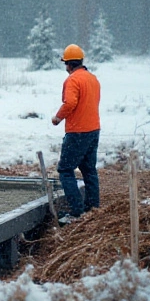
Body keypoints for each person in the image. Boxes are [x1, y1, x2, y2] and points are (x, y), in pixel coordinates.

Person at [52, 44, 101, 223]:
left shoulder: (73, 80)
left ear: (70, 64)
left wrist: (58, 118)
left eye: (65, 64)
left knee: (65, 170)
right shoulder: (92, 78)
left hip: (77, 132)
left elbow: (70, 102)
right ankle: (93, 208)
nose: (65, 68)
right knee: (89, 170)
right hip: (93, 130)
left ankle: (76, 212)